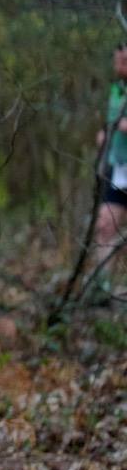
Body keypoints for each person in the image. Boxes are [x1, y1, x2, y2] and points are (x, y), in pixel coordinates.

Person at [93, 43, 127, 299]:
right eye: (117, 61)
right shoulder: (117, 88)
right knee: (104, 225)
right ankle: (102, 290)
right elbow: (113, 121)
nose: (119, 66)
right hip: (119, 167)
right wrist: (106, 133)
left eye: (123, 62)